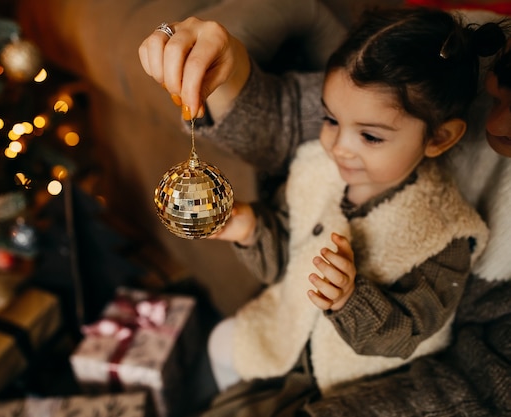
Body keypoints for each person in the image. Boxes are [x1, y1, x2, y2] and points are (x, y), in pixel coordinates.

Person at [139, 5, 511, 417]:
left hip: (360, 372)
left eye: (370, 136)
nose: (339, 147)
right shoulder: (316, 168)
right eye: (330, 119)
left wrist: (351, 298)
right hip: (287, 335)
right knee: (223, 342)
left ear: (440, 137)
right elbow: (286, 257)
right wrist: (250, 228)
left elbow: (408, 333)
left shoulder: (446, 231)